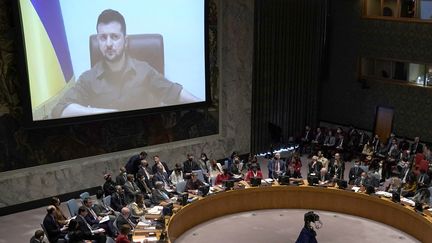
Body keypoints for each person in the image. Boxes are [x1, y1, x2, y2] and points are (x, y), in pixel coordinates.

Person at [52, 9, 198, 118]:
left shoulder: (144, 70)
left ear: (125, 41)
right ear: (98, 40)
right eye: (103, 37)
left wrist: (205, 106)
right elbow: (59, 110)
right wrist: (107, 113)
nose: (108, 44)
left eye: (114, 37)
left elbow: (175, 93)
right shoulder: (88, 78)